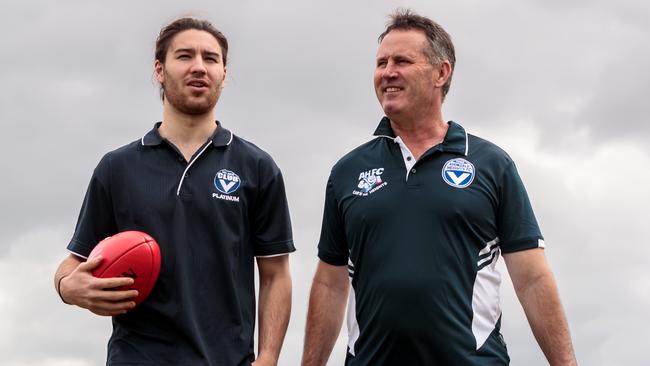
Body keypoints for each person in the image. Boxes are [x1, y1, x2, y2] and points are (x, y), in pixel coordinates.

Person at [302, 9, 577, 366]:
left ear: (441, 72)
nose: (387, 73)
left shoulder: (491, 164)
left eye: (401, 61)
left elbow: (532, 279)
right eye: (381, 62)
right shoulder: (348, 171)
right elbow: (330, 284)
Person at [53, 18, 295, 366]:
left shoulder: (257, 167)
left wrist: (269, 356)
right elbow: (74, 262)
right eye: (185, 56)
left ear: (224, 74)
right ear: (159, 70)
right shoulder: (117, 168)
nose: (199, 66)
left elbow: (275, 274)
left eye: (211, 59)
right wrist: (67, 288)